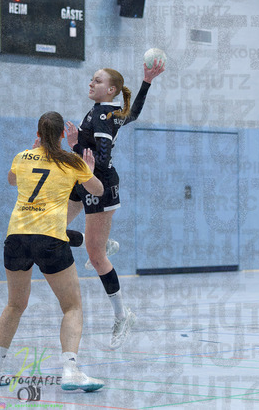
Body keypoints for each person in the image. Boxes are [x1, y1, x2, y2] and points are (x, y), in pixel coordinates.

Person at [0, 111, 105, 392]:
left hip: (16, 238)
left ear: (38, 133)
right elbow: (97, 190)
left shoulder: (22, 156)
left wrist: (33, 152)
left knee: (14, 305)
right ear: (63, 134)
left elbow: (12, 180)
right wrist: (88, 169)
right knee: (72, 306)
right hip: (50, 239)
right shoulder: (72, 162)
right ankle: (70, 371)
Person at [65, 62, 165, 350]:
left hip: (100, 184)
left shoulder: (103, 114)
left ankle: (123, 316)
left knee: (96, 259)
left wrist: (74, 146)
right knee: (52, 228)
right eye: (92, 79)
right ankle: (99, 242)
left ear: (110, 89)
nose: (90, 83)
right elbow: (133, 113)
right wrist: (146, 82)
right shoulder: (105, 110)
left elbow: (102, 158)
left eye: (97, 81)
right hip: (82, 178)